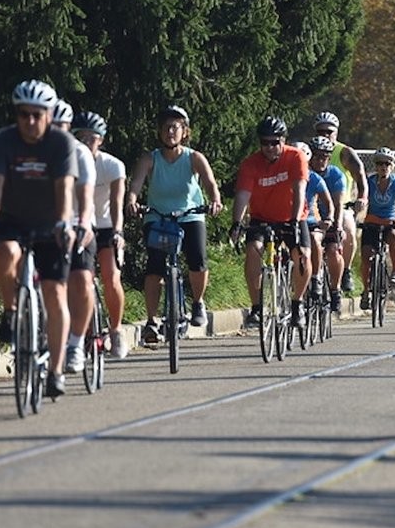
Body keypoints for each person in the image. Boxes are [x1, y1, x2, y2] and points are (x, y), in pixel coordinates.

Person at [0, 80, 77, 399]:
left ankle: (56, 370)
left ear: (49, 115)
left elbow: (65, 187)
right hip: (14, 219)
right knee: (5, 252)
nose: (31, 121)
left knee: (55, 291)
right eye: (24, 114)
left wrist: (64, 223)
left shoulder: (61, 143)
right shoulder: (2, 141)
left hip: (52, 224)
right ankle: (11, 310)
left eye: (37, 115)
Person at [125, 106, 223, 345]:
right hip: (158, 218)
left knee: (197, 259)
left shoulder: (194, 157)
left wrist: (215, 201)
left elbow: (210, 183)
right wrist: (132, 202)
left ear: (184, 132)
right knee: (155, 268)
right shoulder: (151, 158)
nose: (170, 131)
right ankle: (151, 321)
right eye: (166, 127)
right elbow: (136, 184)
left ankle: (198, 302)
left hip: (190, 215)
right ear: (160, 132)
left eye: (175, 127)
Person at [230, 116, 311, 332]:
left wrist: (294, 221)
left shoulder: (296, 157)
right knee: (253, 250)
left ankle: (298, 304)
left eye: (274, 142)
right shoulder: (250, 164)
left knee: (301, 254)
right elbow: (243, 196)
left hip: (292, 216)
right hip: (262, 218)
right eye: (264, 142)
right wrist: (237, 223)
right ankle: (257, 307)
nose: (269, 147)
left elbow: (300, 189)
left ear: (283, 140)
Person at [72, 111, 129, 358]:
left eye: (91, 137)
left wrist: (118, 232)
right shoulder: (68, 161)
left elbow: (117, 202)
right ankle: (82, 334)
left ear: (101, 140)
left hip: (105, 225)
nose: (86, 142)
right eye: (80, 137)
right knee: (78, 281)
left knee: (110, 276)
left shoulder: (112, 165)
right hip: (79, 224)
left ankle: (115, 330)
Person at [49, 99, 96, 374]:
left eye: (61, 125)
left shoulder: (79, 153)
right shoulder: (35, 151)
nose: (55, 129)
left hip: (78, 224)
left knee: (80, 280)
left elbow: (86, 195)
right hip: (45, 225)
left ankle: (77, 343)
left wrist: (82, 224)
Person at [312, 112, 368, 294]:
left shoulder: (344, 153)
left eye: (329, 131)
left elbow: (360, 177)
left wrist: (362, 198)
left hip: (340, 205)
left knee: (348, 229)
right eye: (320, 131)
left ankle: (346, 271)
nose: (324, 135)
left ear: (336, 132)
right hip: (313, 205)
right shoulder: (311, 149)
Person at [358, 147, 395, 311]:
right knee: (366, 255)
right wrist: (358, 214)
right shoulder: (369, 182)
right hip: (372, 222)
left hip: (390, 222)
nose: (383, 167)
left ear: (392, 166)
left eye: (387, 164)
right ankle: (366, 291)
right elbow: (363, 199)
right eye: (380, 163)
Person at [308, 135, 346, 313]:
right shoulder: (305, 173)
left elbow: (338, 204)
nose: (320, 160)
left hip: (329, 219)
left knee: (333, 250)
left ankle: (335, 289)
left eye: (324, 157)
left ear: (329, 158)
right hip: (310, 219)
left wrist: (337, 226)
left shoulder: (335, 175)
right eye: (316, 156)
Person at [295, 141, 334, 304]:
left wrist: (329, 218)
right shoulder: (282, 176)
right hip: (288, 219)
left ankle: (316, 277)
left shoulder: (315, 178)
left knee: (314, 238)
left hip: (310, 220)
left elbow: (329, 203)